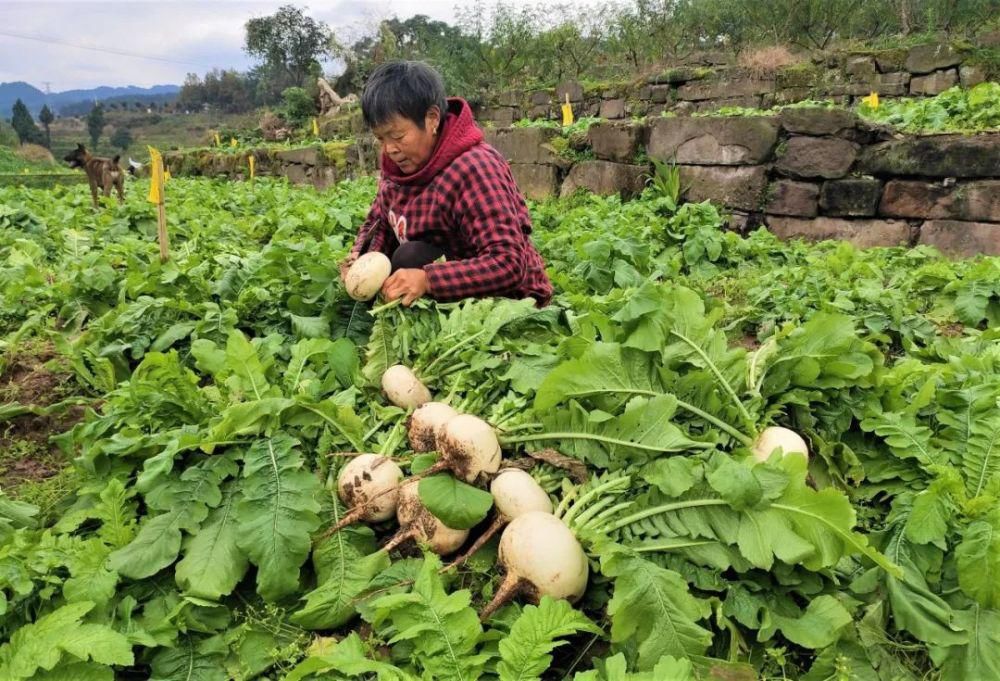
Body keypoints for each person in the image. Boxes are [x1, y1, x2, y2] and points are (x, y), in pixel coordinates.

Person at [340, 61, 553, 307]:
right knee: (408, 256)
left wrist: (429, 280)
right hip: (448, 275)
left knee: (410, 257)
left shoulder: (475, 168)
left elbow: (508, 263)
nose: (390, 149)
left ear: (432, 119)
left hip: (510, 300)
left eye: (398, 136)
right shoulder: (398, 168)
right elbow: (380, 222)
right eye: (381, 138)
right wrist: (361, 257)